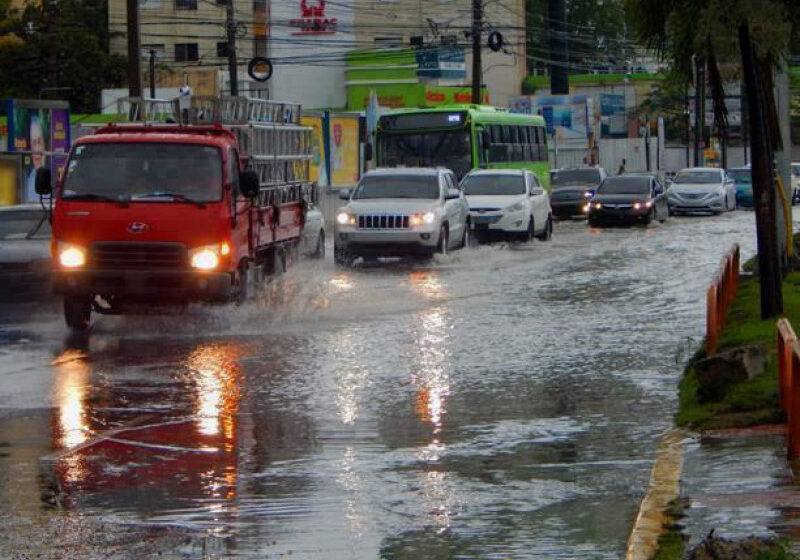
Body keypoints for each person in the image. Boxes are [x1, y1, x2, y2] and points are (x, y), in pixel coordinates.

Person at [25, 115, 46, 201]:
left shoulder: (55, 174)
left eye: (39, 141)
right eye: (33, 143)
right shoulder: (28, 180)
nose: (37, 149)